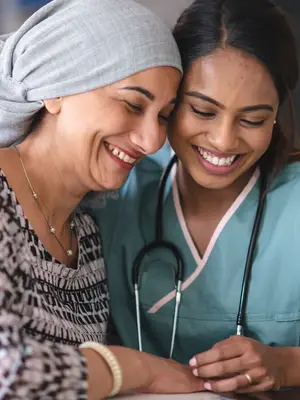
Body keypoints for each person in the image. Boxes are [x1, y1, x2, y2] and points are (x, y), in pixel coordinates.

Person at [0, 0, 208, 398]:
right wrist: (139, 368)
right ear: (55, 89)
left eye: (164, 116)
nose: (152, 140)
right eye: (132, 104)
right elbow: (8, 373)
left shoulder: (87, 234)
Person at [93, 0, 300, 395]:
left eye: (253, 120)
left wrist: (287, 364)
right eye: (203, 111)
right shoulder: (116, 193)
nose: (223, 140)